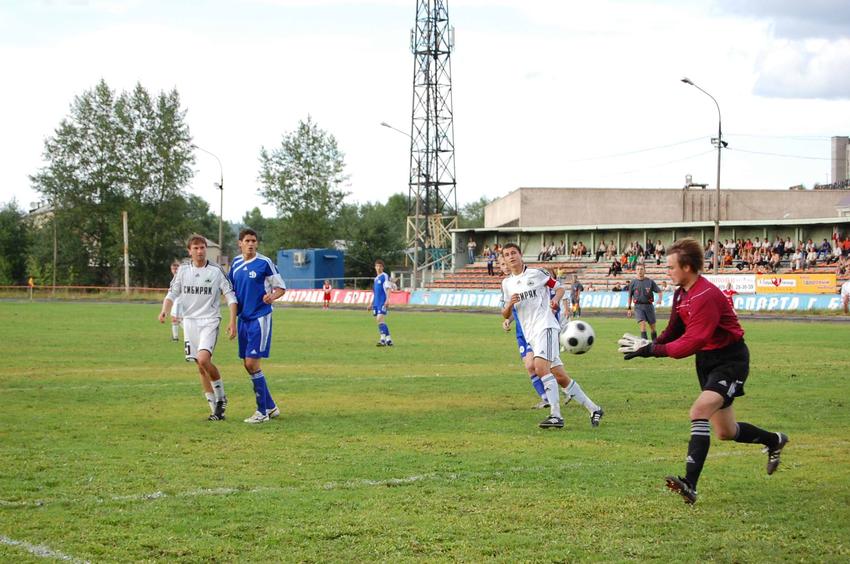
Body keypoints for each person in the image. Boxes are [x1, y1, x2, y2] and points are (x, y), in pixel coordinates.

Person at [618, 238, 788, 505]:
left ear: (687, 267)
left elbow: (692, 341)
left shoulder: (705, 295)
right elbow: (675, 330)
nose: (668, 272)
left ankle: (690, 484)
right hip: (707, 361)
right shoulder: (682, 293)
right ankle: (774, 440)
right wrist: (650, 345)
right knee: (725, 431)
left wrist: (653, 350)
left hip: (730, 361)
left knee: (699, 411)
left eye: (671, 267)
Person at [501, 243, 604, 429]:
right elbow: (505, 314)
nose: (511, 257)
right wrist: (509, 305)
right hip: (530, 334)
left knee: (540, 368)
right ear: (504, 260)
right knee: (560, 377)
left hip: (546, 326)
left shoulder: (537, 274)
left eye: (513, 253)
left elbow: (559, 288)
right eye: (507, 254)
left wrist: (555, 300)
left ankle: (556, 415)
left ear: (520, 255)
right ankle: (594, 409)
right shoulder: (506, 284)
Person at [158, 235, 237, 421]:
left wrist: (232, 321)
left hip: (209, 321)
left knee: (203, 359)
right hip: (190, 323)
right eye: (196, 248)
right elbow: (172, 293)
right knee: (200, 367)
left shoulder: (216, 271)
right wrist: (164, 310)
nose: (200, 251)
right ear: (189, 251)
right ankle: (215, 410)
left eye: (202, 248)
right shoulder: (183, 271)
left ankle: (221, 398)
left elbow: (230, 296)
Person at [229, 228, 287, 424]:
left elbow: (281, 288)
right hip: (243, 319)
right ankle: (270, 406)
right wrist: (232, 321)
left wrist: (272, 296)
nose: (251, 244)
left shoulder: (264, 263)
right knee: (247, 364)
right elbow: (231, 292)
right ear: (240, 243)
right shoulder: (236, 263)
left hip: (260, 318)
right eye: (247, 241)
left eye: (254, 241)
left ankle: (262, 412)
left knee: (252, 364)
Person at [626, 263, 663, 341]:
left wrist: (659, 299)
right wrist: (629, 309)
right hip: (638, 307)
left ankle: (655, 344)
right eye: (638, 269)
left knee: (653, 327)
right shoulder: (633, 283)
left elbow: (659, 291)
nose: (640, 271)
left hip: (649, 306)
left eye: (641, 269)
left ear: (645, 271)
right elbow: (629, 296)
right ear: (636, 271)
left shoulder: (650, 281)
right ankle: (645, 344)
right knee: (642, 324)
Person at [372, 259, 395, 346]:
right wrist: (371, 303)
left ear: (383, 267)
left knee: (379, 318)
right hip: (376, 302)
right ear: (375, 267)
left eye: (380, 266)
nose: (378, 268)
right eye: (377, 266)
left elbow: (388, 288)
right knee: (380, 321)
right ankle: (389, 339)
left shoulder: (384, 276)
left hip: (382, 301)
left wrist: (387, 300)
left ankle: (382, 340)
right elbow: (375, 293)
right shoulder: (376, 279)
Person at [169, 261, 184, 342]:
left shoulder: (180, 278)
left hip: (179, 301)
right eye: (173, 269)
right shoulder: (175, 277)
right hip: (175, 301)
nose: (175, 270)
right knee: (174, 319)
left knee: (178, 319)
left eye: (176, 269)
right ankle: (175, 337)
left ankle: (192, 334)